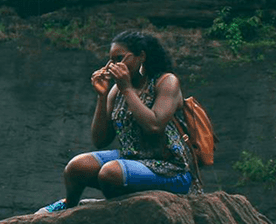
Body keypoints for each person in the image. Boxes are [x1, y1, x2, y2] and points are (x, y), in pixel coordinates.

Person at [38, 30, 195, 214]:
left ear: (141, 57)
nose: (112, 66)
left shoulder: (166, 82)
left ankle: (112, 209)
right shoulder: (116, 90)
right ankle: (70, 206)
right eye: (110, 60)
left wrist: (127, 88)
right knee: (77, 167)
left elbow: (154, 126)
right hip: (133, 159)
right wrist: (102, 96)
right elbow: (100, 140)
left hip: (170, 170)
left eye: (119, 59)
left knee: (110, 173)